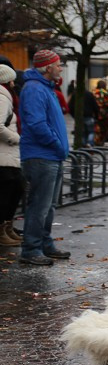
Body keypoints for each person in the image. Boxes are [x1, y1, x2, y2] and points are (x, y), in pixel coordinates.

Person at [17, 50, 70, 265]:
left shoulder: (45, 88)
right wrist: (56, 144)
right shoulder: (34, 89)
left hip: (51, 155)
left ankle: (44, 243)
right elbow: (37, 124)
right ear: (48, 68)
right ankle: (31, 248)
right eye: (58, 65)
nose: (60, 68)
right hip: (41, 155)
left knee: (49, 205)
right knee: (40, 205)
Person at [0, 64, 23, 247]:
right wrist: (16, 138)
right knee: (8, 192)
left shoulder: (5, 96)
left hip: (7, 154)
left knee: (14, 190)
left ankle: (7, 228)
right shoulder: (3, 97)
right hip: (4, 154)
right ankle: (2, 231)